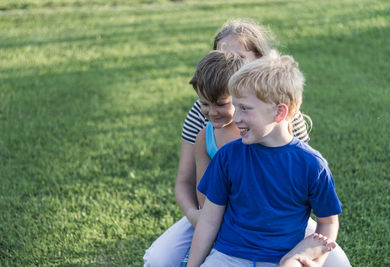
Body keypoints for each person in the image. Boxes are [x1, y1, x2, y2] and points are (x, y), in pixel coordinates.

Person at [143, 19, 350, 267]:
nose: (233, 64)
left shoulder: (285, 119)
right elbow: (191, 189)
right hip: (219, 217)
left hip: (280, 218)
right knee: (158, 259)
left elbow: (300, 185)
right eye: (223, 55)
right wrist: (195, 216)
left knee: (337, 262)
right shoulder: (205, 114)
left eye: (239, 56)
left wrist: (309, 253)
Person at [187, 55, 342, 266]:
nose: (237, 117)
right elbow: (208, 221)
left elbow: (328, 222)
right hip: (228, 256)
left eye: (245, 108)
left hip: (279, 258)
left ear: (279, 113)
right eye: (235, 106)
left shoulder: (312, 165)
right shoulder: (228, 157)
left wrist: (316, 259)